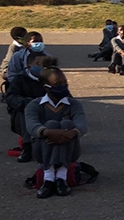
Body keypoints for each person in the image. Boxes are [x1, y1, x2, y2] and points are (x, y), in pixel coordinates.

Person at [25, 65, 88, 199]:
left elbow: (82, 124)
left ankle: (60, 176)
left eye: (65, 83)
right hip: (41, 150)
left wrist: (70, 133)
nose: (63, 86)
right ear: (46, 86)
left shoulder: (73, 104)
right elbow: (31, 125)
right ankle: (49, 177)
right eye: (58, 84)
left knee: (67, 124)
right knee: (51, 124)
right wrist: (48, 132)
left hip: (70, 149)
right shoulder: (35, 105)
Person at [7, 53, 51, 163]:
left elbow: (66, 96)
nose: (41, 67)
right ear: (29, 64)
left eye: (44, 64)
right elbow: (11, 97)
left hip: (47, 109)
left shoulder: (51, 78)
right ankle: (27, 146)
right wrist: (28, 103)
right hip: (25, 111)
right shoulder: (19, 79)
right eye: (38, 64)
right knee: (26, 110)